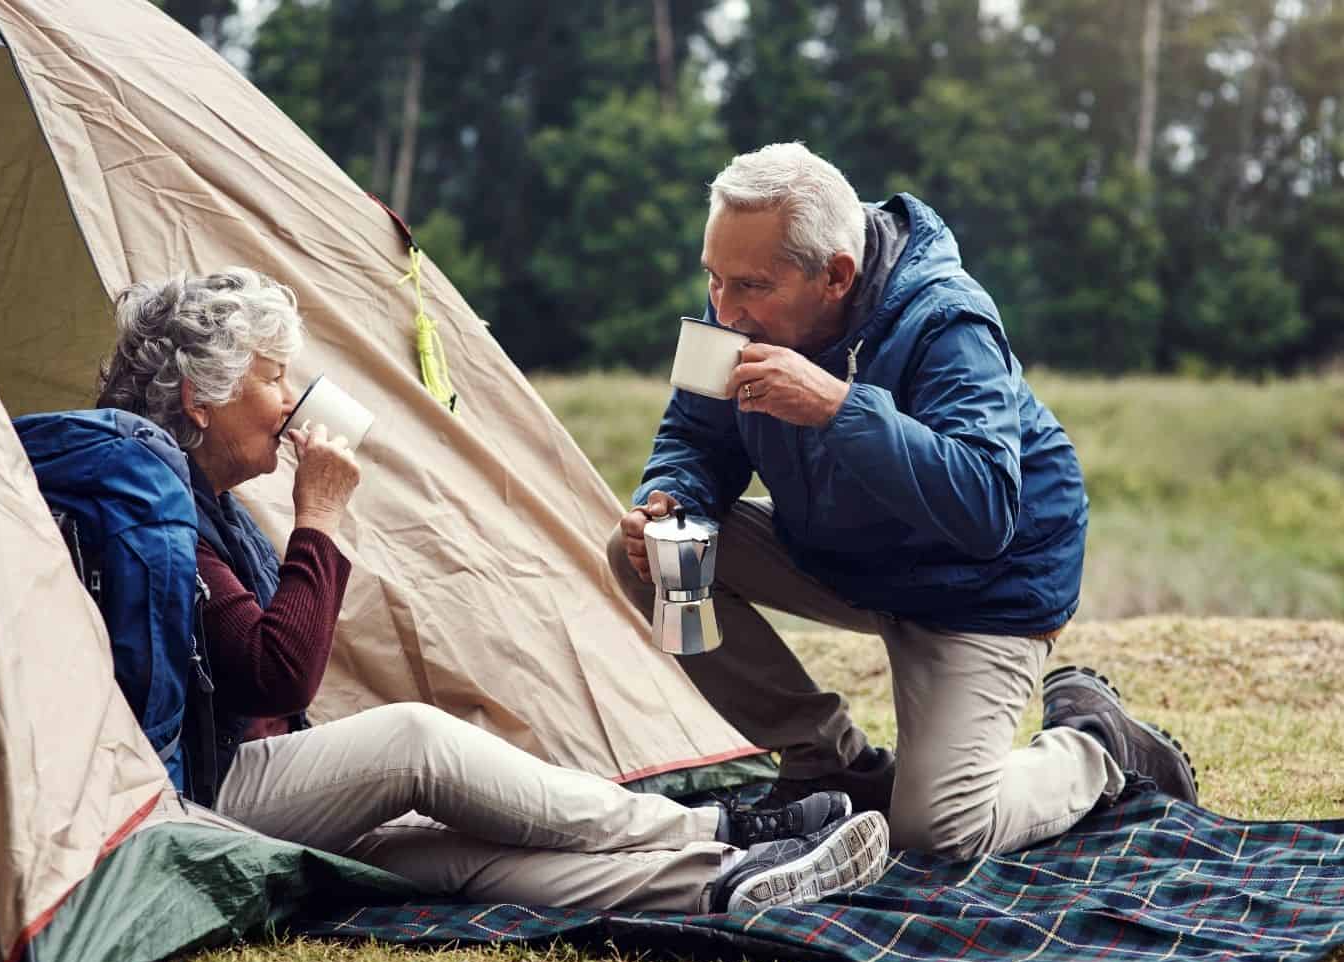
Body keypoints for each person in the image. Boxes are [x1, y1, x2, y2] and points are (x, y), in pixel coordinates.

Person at [93, 266, 891, 915]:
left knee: (460, 858)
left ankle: (722, 880)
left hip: (243, 777)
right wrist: (320, 514)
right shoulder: (158, 518)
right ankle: (722, 823)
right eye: (273, 379)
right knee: (413, 739)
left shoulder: (192, 501)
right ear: (203, 397)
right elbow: (277, 674)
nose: (290, 400)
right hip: (195, 798)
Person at [608, 142, 1197, 859]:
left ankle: (1096, 745)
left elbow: (983, 506)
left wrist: (837, 408)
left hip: (979, 584)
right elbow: (695, 438)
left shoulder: (948, 322)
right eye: (713, 279)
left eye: (751, 287)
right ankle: (828, 762)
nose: (724, 312)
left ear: (836, 275)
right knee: (649, 556)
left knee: (939, 830)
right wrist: (671, 499)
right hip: (844, 555)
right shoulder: (737, 312)